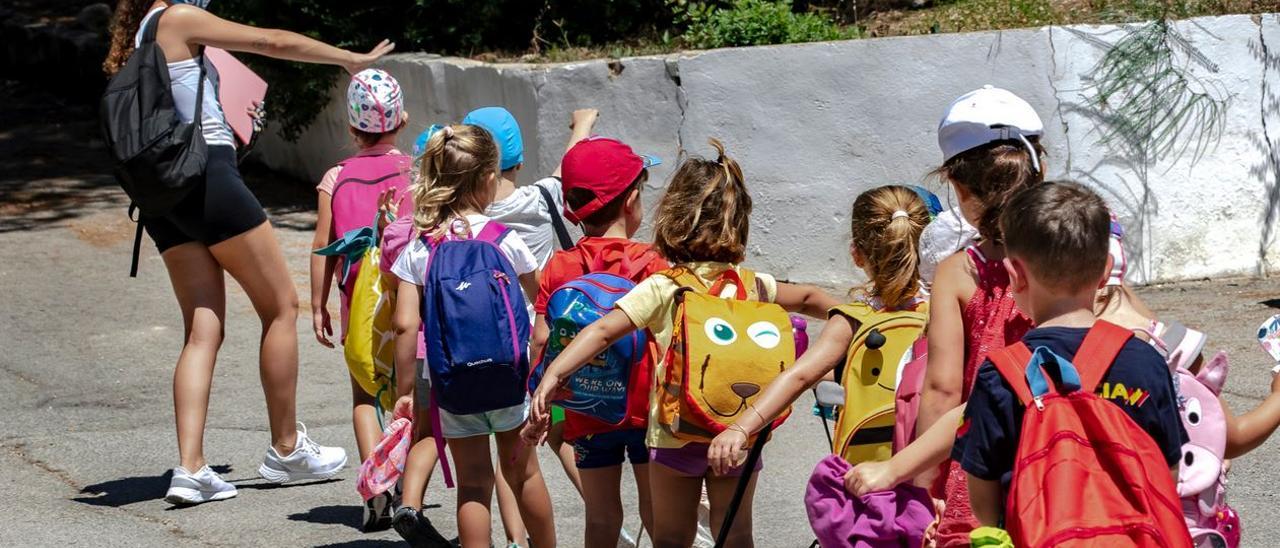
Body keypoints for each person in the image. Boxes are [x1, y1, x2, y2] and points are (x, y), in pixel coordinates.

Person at [102, 0, 393, 504]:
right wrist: (347, 58)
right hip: (205, 177)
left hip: (163, 195)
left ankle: (191, 469)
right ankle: (286, 447)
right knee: (280, 306)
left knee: (202, 326)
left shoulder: (142, 36)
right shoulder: (177, 18)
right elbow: (271, 40)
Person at [527, 139, 838, 548]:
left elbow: (603, 331)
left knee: (672, 537)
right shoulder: (751, 284)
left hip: (674, 434)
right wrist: (861, 318)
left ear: (671, 218)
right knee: (736, 534)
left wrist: (553, 375)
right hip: (737, 430)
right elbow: (814, 299)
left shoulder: (666, 287)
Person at [955, 181, 1186, 527]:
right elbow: (1168, 469)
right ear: (1107, 271)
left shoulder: (1001, 374)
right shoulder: (1146, 360)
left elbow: (983, 490)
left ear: (1015, 275)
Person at [388, 125, 555, 548]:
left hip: (454, 385)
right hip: (509, 381)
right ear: (487, 179)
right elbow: (540, 308)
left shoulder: (420, 249)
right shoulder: (506, 241)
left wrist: (405, 391)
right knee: (524, 473)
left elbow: (405, 325)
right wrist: (542, 372)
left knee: (474, 484)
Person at [705, 185, 931, 475]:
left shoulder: (854, 319)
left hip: (867, 473)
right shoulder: (944, 310)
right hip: (931, 467)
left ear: (857, 254)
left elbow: (799, 376)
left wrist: (740, 427)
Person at [912, 86, 1044, 545]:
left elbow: (943, 388)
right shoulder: (1078, 254)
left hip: (984, 462)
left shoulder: (959, 273)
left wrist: (925, 479)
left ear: (961, 188)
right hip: (1063, 459)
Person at [522, 136, 668, 547]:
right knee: (657, 512)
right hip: (645, 410)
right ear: (632, 199)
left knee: (601, 518)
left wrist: (542, 399)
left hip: (587, 408)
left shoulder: (559, 267)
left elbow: (541, 339)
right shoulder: (652, 263)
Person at [463, 106, 595, 546]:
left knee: (508, 447)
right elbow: (568, 166)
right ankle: (604, 513)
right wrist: (582, 124)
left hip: (496, 345)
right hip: (545, 343)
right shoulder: (541, 199)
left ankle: (516, 538)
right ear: (517, 161)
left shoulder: (467, 220)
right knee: (558, 434)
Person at [308, 68, 413, 530]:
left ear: (351, 129)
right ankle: (411, 490)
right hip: (411, 301)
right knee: (409, 394)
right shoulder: (416, 171)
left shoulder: (337, 177)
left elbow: (322, 244)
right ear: (402, 120)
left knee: (364, 394)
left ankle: (376, 491)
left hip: (359, 303)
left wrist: (317, 304)